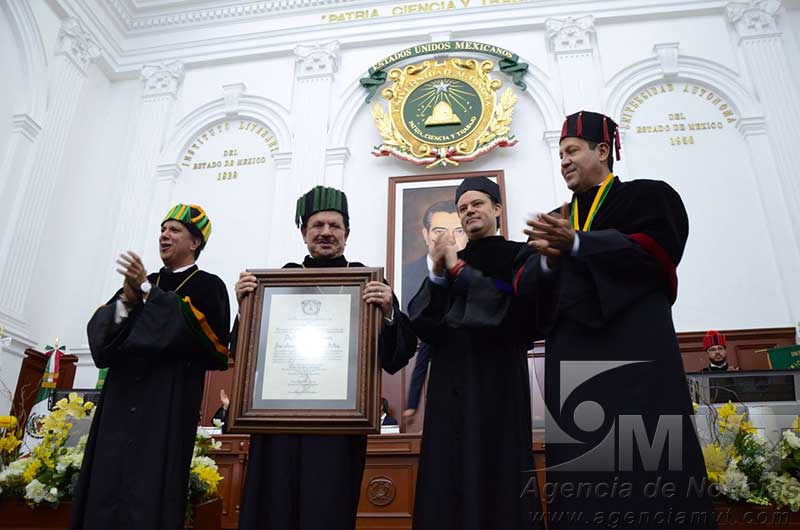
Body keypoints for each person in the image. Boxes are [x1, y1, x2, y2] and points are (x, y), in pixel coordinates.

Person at [514, 110, 715, 529]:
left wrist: (579, 244)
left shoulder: (649, 198)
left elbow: (654, 257)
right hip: (574, 377)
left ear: (603, 150)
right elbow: (526, 288)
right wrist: (549, 262)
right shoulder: (556, 219)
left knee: (651, 472)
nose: (564, 161)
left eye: (572, 151)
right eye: (560, 154)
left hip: (638, 366)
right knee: (584, 481)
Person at [234, 185, 417, 530]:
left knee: (327, 511)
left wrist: (389, 312)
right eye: (317, 225)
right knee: (271, 509)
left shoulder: (368, 284)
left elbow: (396, 357)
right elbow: (245, 352)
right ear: (304, 233)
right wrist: (246, 308)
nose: (326, 232)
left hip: (338, 426)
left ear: (347, 233)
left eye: (335, 226)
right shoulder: (277, 282)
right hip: (278, 423)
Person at [70, 204, 230, 530]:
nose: (164, 236)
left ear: (195, 242)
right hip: (119, 398)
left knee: (151, 486)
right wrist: (127, 300)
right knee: (106, 480)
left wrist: (147, 291)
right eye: (162, 229)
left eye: (174, 230)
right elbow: (103, 336)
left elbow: (207, 341)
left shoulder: (208, 286)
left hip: (167, 399)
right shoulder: (141, 283)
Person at [408, 176, 544, 530]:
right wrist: (438, 276)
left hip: (499, 380)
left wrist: (458, 270)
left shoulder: (521, 255)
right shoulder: (449, 260)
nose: (469, 211)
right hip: (450, 383)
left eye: (477, 204)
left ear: (497, 208)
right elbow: (422, 320)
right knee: (448, 469)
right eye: (463, 207)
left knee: (501, 467)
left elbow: (513, 305)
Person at [402, 201, 467, 419]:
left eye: (458, 231)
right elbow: (423, 358)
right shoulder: (409, 276)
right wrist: (412, 404)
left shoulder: (475, 273)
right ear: (426, 235)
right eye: (440, 231)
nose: (449, 239)